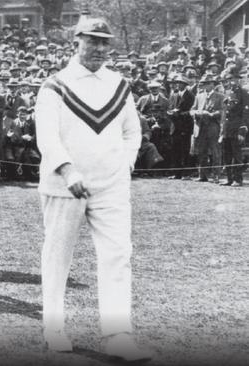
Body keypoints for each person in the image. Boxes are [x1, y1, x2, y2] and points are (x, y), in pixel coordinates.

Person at [35, 18, 151, 361]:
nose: (99, 48)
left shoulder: (120, 84)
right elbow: (48, 136)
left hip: (111, 186)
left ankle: (117, 334)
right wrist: (68, 170)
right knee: (58, 256)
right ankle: (53, 328)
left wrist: (125, 164)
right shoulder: (54, 85)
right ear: (76, 42)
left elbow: (132, 133)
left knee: (118, 255)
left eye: (105, 42)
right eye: (92, 41)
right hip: (63, 185)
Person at [190, 74, 224, 183]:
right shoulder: (199, 96)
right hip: (200, 127)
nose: (205, 86)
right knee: (201, 152)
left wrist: (211, 114)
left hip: (213, 127)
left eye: (208, 83)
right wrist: (197, 113)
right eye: (204, 84)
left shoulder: (220, 96)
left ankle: (216, 176)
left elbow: (222, 112)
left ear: (213, 84)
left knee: (215, 152)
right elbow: (192, 109)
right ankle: (202, 175)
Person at [219, 72, 249, 186]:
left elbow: (246, 113)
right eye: (228, 79)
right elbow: (225, 113)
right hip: (227, 128)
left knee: (237, 154)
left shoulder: (243, 93)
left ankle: (238, 179)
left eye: (233, 79)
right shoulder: (227, 92)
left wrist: (242, 130)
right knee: (227, 153)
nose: (231, 81)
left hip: (237, 128)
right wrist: (222, 130)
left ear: (238, 80)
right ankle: (229, 178)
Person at [166, 74, 195, 179]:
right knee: (175, 149)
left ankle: (186, 173)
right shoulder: (174, 95)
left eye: (181, 83)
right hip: (175, 126)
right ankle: (176, 173)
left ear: (185, 84)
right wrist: (171, 113)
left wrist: (179, 113)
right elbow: (170, 108)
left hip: (185, 126)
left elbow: (191, 111)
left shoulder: (190, 96)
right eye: (177, 83)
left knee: (185, 150)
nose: (178, 85)